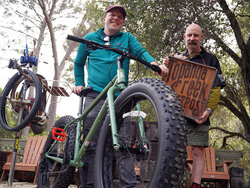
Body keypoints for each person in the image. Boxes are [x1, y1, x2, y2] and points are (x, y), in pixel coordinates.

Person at [72, 4, 168, 188]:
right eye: (112, 15)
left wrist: (154, 64)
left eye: (120, 17)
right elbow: (78, 63)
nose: (116, 18)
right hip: (95, 95)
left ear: (122, 22)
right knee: (91, 143)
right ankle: (89, 185)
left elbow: (140, 52)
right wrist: (79, 84)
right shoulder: (90, 38)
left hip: (120, 97)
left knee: (123, 145)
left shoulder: (127, 38)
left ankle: (129, 186)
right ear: (104, 19)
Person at [164, 23, 226, 188]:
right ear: (184, 37)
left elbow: (216, 89)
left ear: (201, 38)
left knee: (198, 151)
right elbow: (166, 84)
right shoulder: (176, 58)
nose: (192, 39)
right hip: (176, 116)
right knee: (173, 151)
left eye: (196, 35)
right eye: (189, 35)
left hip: (199, 115)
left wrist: (208, 110)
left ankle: (195, 185)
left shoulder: (211, 59)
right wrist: (166, 67)